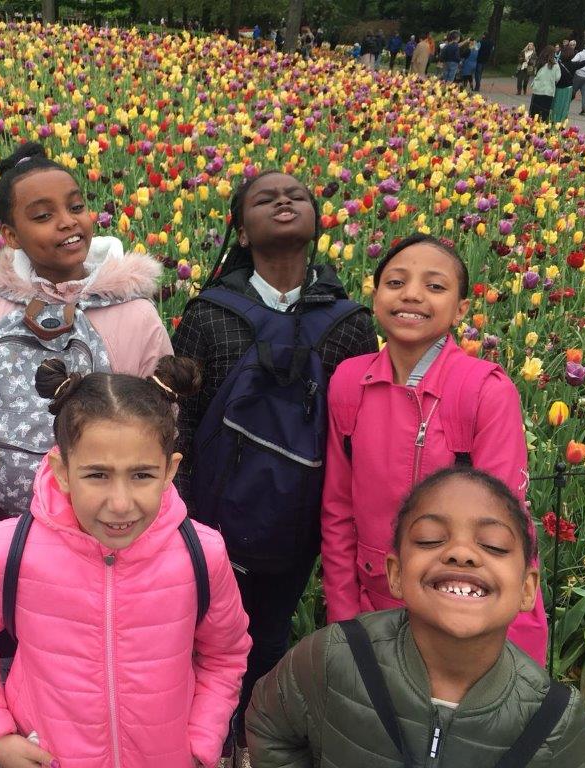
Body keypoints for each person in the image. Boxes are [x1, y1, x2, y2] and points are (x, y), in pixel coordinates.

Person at [0, 359, 252, 768]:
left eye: (141, 475)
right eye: (97, 475)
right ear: (62, 472)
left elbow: (224, 655)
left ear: (170, 471)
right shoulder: (10, 549)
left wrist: (199, 741)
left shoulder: (201, 555)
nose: (120, 503)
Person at [172, 170, 376, 764]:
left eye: (297, 196)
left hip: (300, 518)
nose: (284, 201)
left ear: (318, 221)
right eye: (265, 198)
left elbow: (356, 431)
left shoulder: (349, 321)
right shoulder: (210, 312)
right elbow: (181, 413)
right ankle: (204, 736)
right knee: (207, 633)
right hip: (213, 515)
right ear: (241, 227)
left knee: (269, 634)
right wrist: (181, 511)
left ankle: (251, 736)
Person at [247, 468, 585, 768]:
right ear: (396, 573)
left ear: (527, 588)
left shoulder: (554, 719)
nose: (461, 554)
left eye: (492, 545)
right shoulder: (335, 657)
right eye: (430, 539)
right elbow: (268, 722)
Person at [0, 141, 172, 566]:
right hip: (1, 529)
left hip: (106, 539)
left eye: (75, 207)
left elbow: (164, 419)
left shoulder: (135, 313)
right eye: (43, 216)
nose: (67, 222)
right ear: (11, 235)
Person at [320, 234, 548, 665]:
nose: (412, 295)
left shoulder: (483, 390)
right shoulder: (350, 382)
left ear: (462, 309)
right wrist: (343, 615)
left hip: (467, 600)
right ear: (375, 295)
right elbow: (337, 510)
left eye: (435, 286)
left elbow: (503, 524)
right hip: (377, 599)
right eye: (395, 282)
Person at [529, 46, 560, 121]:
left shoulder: (539, 62)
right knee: (544, 113)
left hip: (537, 90)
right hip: (548, 91)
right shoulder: (555, 65)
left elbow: (535, 73)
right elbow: (557, 78)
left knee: (534, 113)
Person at [551, 42, 576, 122]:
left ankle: (552, 119)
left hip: (557, 87)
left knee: (555, 104)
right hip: (567, 88)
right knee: (564, 106)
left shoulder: (557, 64)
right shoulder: (573, 65)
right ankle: (561, 121)